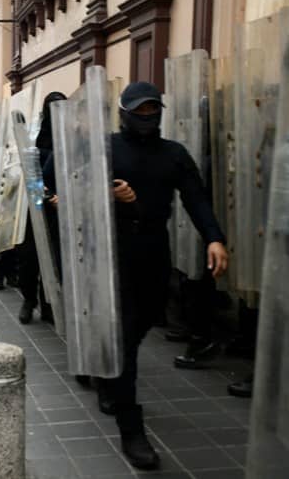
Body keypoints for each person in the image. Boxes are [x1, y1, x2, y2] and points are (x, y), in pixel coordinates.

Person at [45, 82, 228, 470]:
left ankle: (110, 379)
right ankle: (131, 428)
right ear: (124, 113)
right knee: (125, 336)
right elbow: (69, 188)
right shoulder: (105, 149)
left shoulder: (174, 155)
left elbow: (196, 198)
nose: (145, 118)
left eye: (151, 111)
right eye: (138, 111)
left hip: (154, 252)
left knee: (143, 323)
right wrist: (108, 196)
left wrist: (214, 238)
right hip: (110, 252)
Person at [17, 92, 66, 324]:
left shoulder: (72, 135)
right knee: (30, 255)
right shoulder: (39, 137)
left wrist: (64, 197)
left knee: (56, 257)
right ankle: (29, 299)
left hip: (64, 206)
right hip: (39, 204)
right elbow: (32, 170)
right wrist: (47, 195)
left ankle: (49, 303)